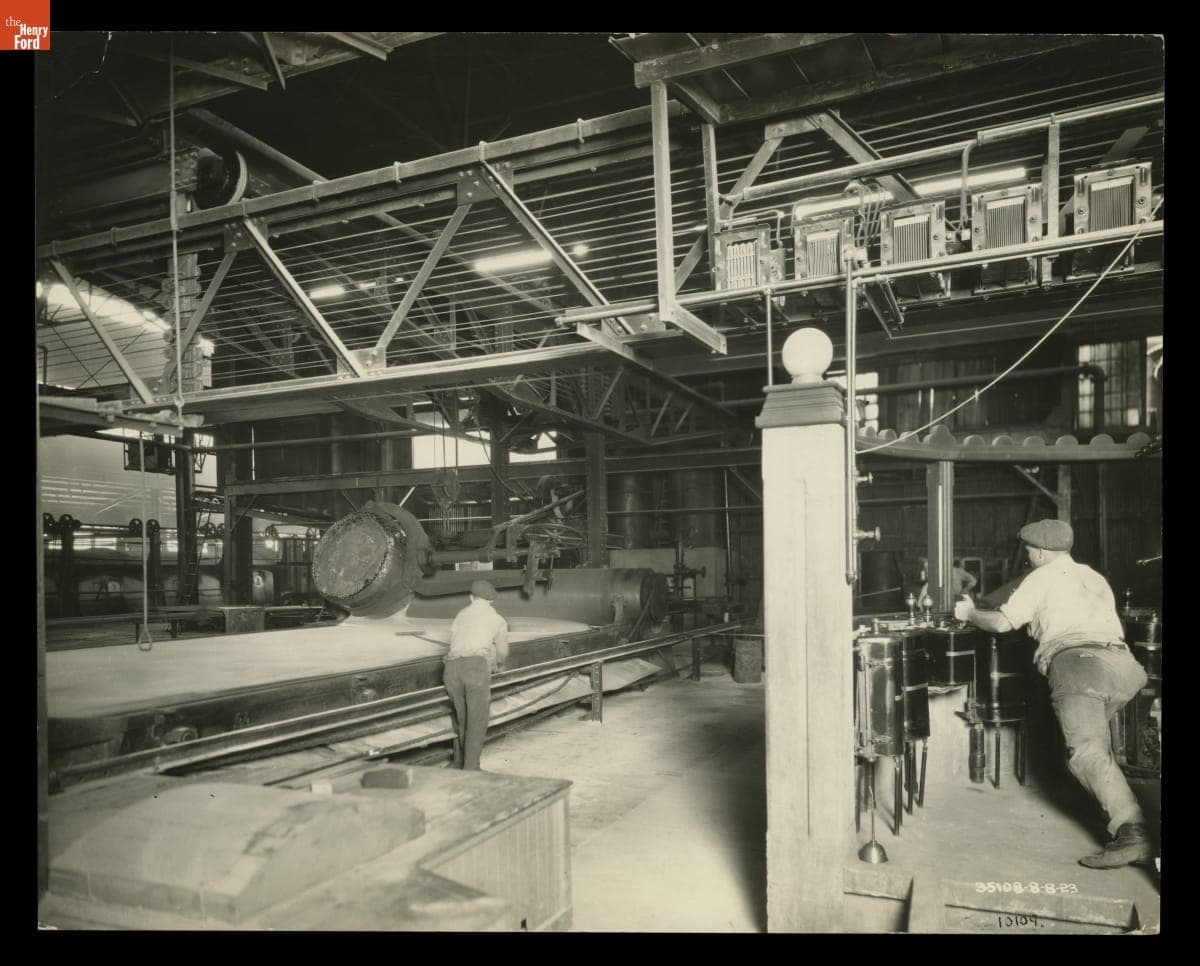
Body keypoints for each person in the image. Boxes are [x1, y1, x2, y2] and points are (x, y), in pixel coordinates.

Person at [953, 519, 1153, 869]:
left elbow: (1001, 623)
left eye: (1029, 551)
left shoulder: (1041, 577)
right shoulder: (1092, 576)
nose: (1027, 556)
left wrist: (969, 613)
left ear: (1041, 552)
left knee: (1085, 753)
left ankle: (1133, 834)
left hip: (1079, 666)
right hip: (1124, 667)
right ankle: (1122, 807)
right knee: (1095, 747)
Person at [443, 579, 509, 770]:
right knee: (477, 721)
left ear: (471, 598)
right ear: (491, 601)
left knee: (462, 719)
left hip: (451, 669)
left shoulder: (461, 614)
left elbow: (455, 640)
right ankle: (471, 769)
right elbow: (502, 651)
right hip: (475, 668)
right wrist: (499, 664)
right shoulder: (497, 619)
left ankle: (460, 762)